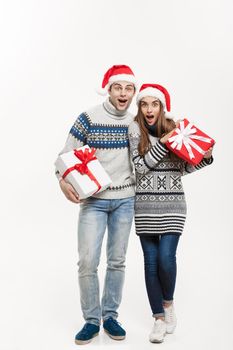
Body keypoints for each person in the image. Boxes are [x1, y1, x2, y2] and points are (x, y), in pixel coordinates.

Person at [55, 65, 137, 345]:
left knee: (117, 261)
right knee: (88, 261)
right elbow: (65, 156)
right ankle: (91, 320)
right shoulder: (88, 118)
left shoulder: (135, 123)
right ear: (109, 89)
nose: (123, 93)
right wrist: (63, 182)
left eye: (128, 88)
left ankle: (110, 316)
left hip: (125, 200)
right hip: (94, 202)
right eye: (118, 87)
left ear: (133, 92)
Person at [128, 83, 214, 343]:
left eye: (154, 104)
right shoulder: (134, 130)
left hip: (173, 205)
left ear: (162, 107)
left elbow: (182, 169)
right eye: (145, 104)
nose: (149, 109)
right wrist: (164, 144)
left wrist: (204, 157)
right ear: (140, 107)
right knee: (151, 263)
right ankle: (158, 319)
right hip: (144, 207)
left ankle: (168, 305)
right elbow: (140, 168)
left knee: (166, 258)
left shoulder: (175, 129)